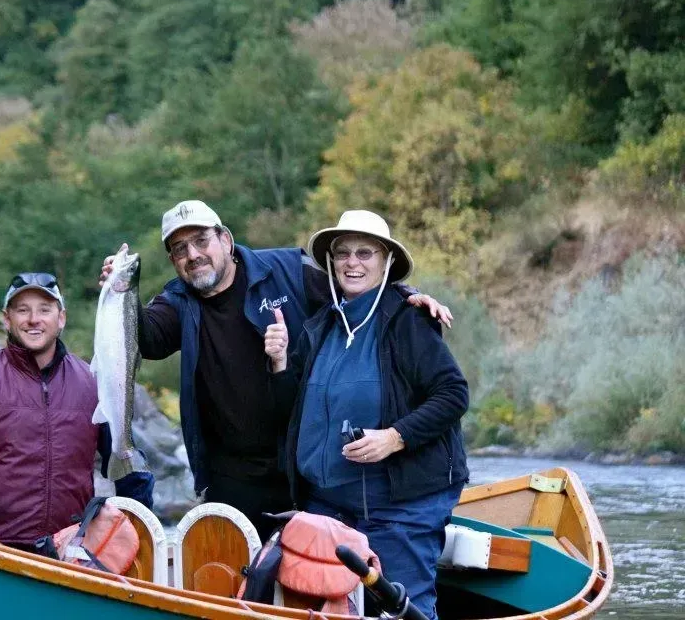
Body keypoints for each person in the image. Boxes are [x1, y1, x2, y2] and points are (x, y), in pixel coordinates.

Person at [99, 200, 452, 541]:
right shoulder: (178, 301)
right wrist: (120, 296)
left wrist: (407, 295)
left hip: (302, 469)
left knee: (304, 579)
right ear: (173, 260)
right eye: (179, 248)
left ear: (225, 239)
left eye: (201, 241)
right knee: (237, 584)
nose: (193, 255)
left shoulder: (286, 269)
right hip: (230, 477)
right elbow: (148, 339)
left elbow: (354, 284)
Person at [265, 210, 469, 620]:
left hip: (401, 506)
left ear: (385, 262)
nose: (352, 262)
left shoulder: (409, 319)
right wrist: (280, 361)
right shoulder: (319, 326)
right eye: (343, 254)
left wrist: (394, 437)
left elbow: (453, 394)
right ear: (331, 262)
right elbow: (293, 410)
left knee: (402, 609)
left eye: (365, 253)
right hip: (327, 506)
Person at [0, 272, 154, 551]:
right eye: (22, 310)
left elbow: (129, 463)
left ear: (61, 318)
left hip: (73, 550)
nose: (33, 319)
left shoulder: (94, 383)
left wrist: (138, 535)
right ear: (7, 319)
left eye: (44, 310)